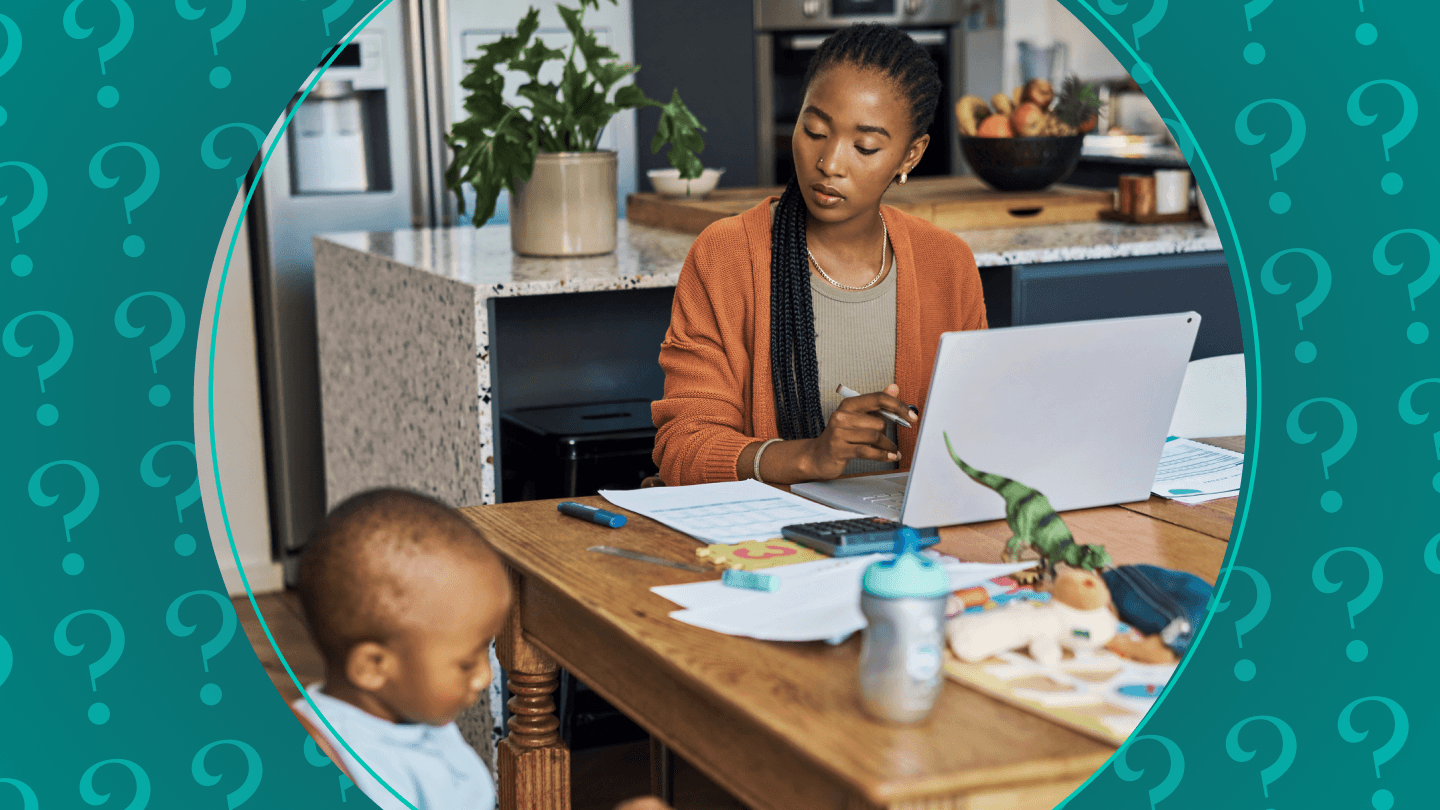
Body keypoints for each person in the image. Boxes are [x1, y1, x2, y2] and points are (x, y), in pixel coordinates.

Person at [652, 23, 987, 488]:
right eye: (814, 130)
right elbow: (684, 447)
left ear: (910, 157)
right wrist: (810, 457)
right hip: (767, 544)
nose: (829, 163)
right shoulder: (727, 256)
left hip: (909, 545)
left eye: (864, 146)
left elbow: (976, 437)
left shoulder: (946, 263)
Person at [289, 488, 675, 810]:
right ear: (373, 666)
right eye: (465, 662)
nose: (485, 675)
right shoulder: (339, 769)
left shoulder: (406, 711)